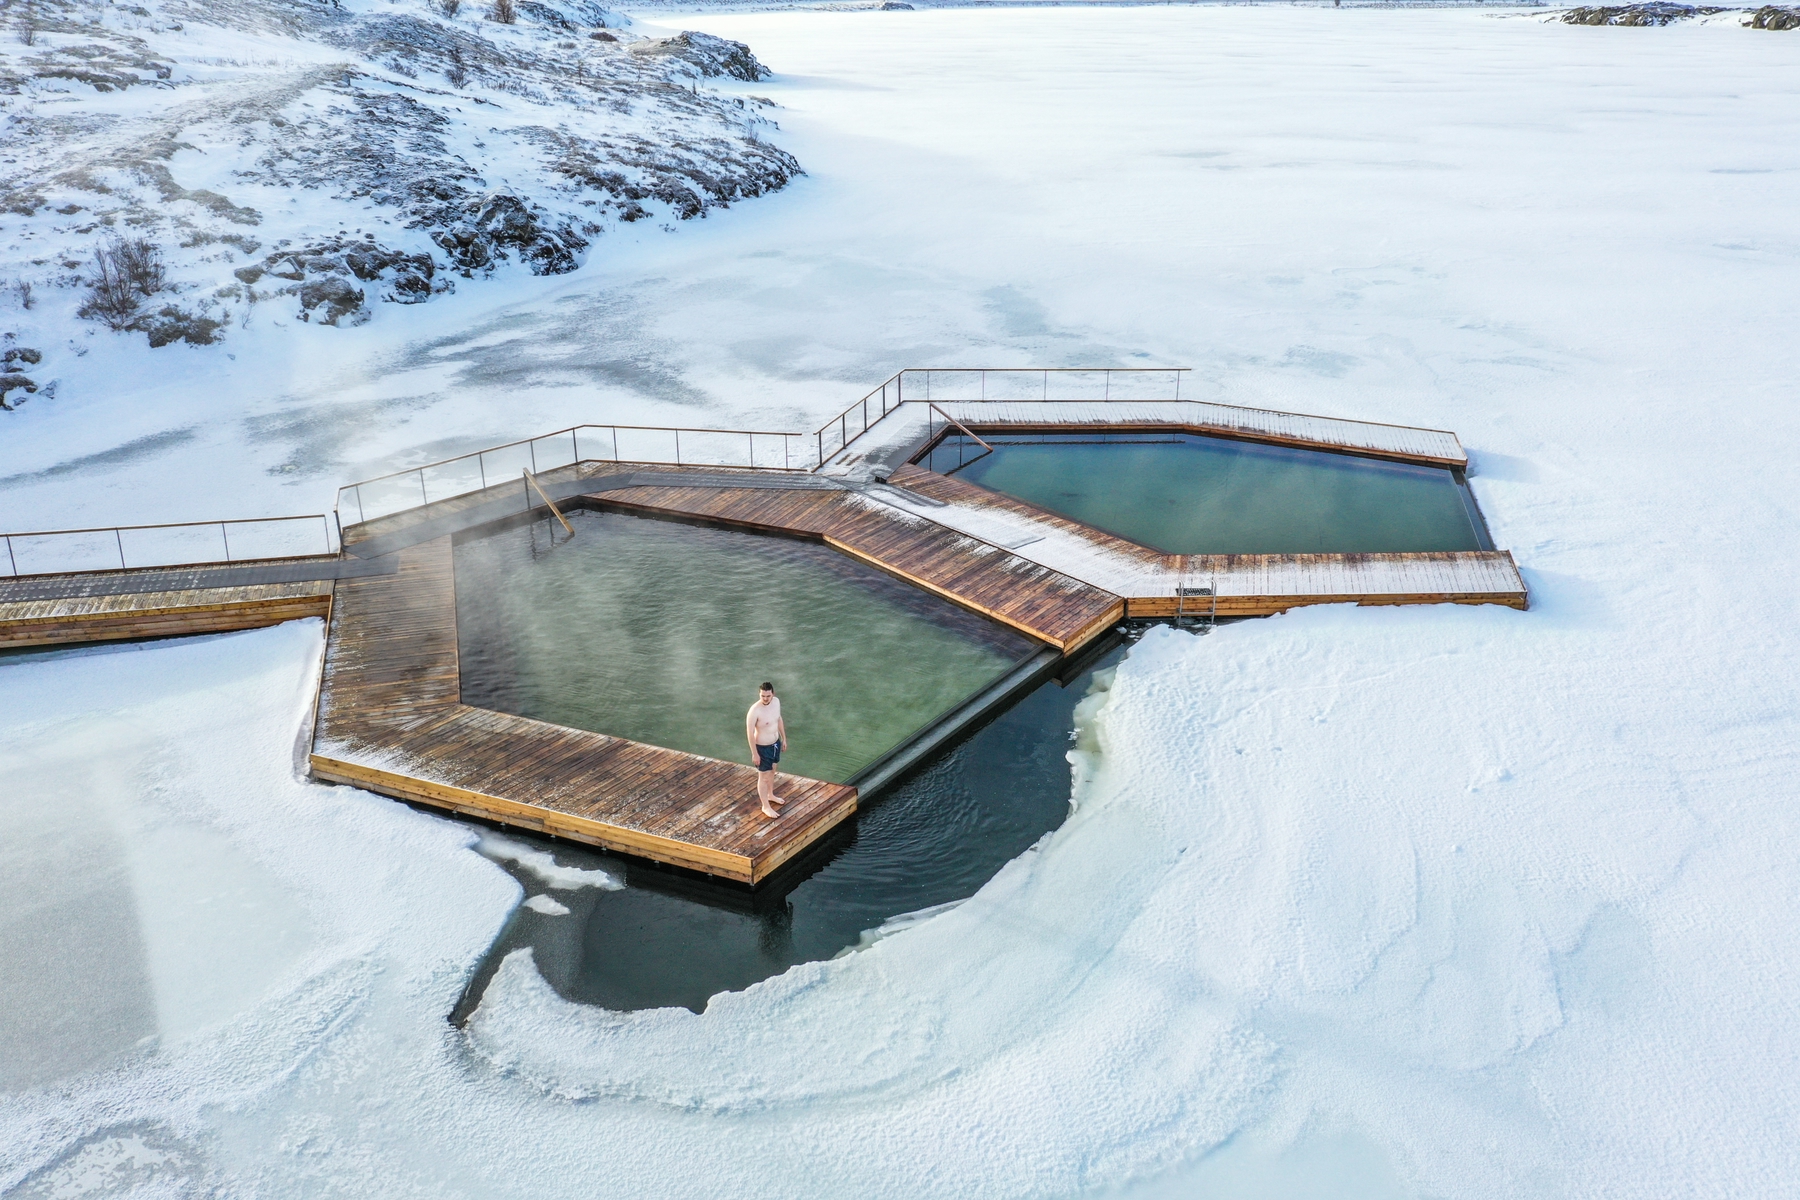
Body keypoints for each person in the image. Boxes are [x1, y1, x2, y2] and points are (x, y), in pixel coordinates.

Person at [746, 681, 788, 819]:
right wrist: (755, 753)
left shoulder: (776, 702)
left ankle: (770, 794)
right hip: (762, 747)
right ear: (759, 694)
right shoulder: (754, 711)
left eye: (768, 696)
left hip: (775, 743)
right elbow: (750, 733)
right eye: (762, 696)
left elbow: (779, 719)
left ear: (773, 694)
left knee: (773, 770)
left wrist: (784, 738)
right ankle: (765, 806)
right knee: (763, 777)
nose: (765, 699)